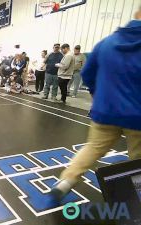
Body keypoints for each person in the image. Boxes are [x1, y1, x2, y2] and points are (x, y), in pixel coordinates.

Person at [51, 6, 141, 200]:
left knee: (93, 147)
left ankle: (66, 180)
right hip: (138, 117)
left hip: (105, 111)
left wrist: (96, 95)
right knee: (138, 159)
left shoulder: (107, 43)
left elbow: (87, 74)